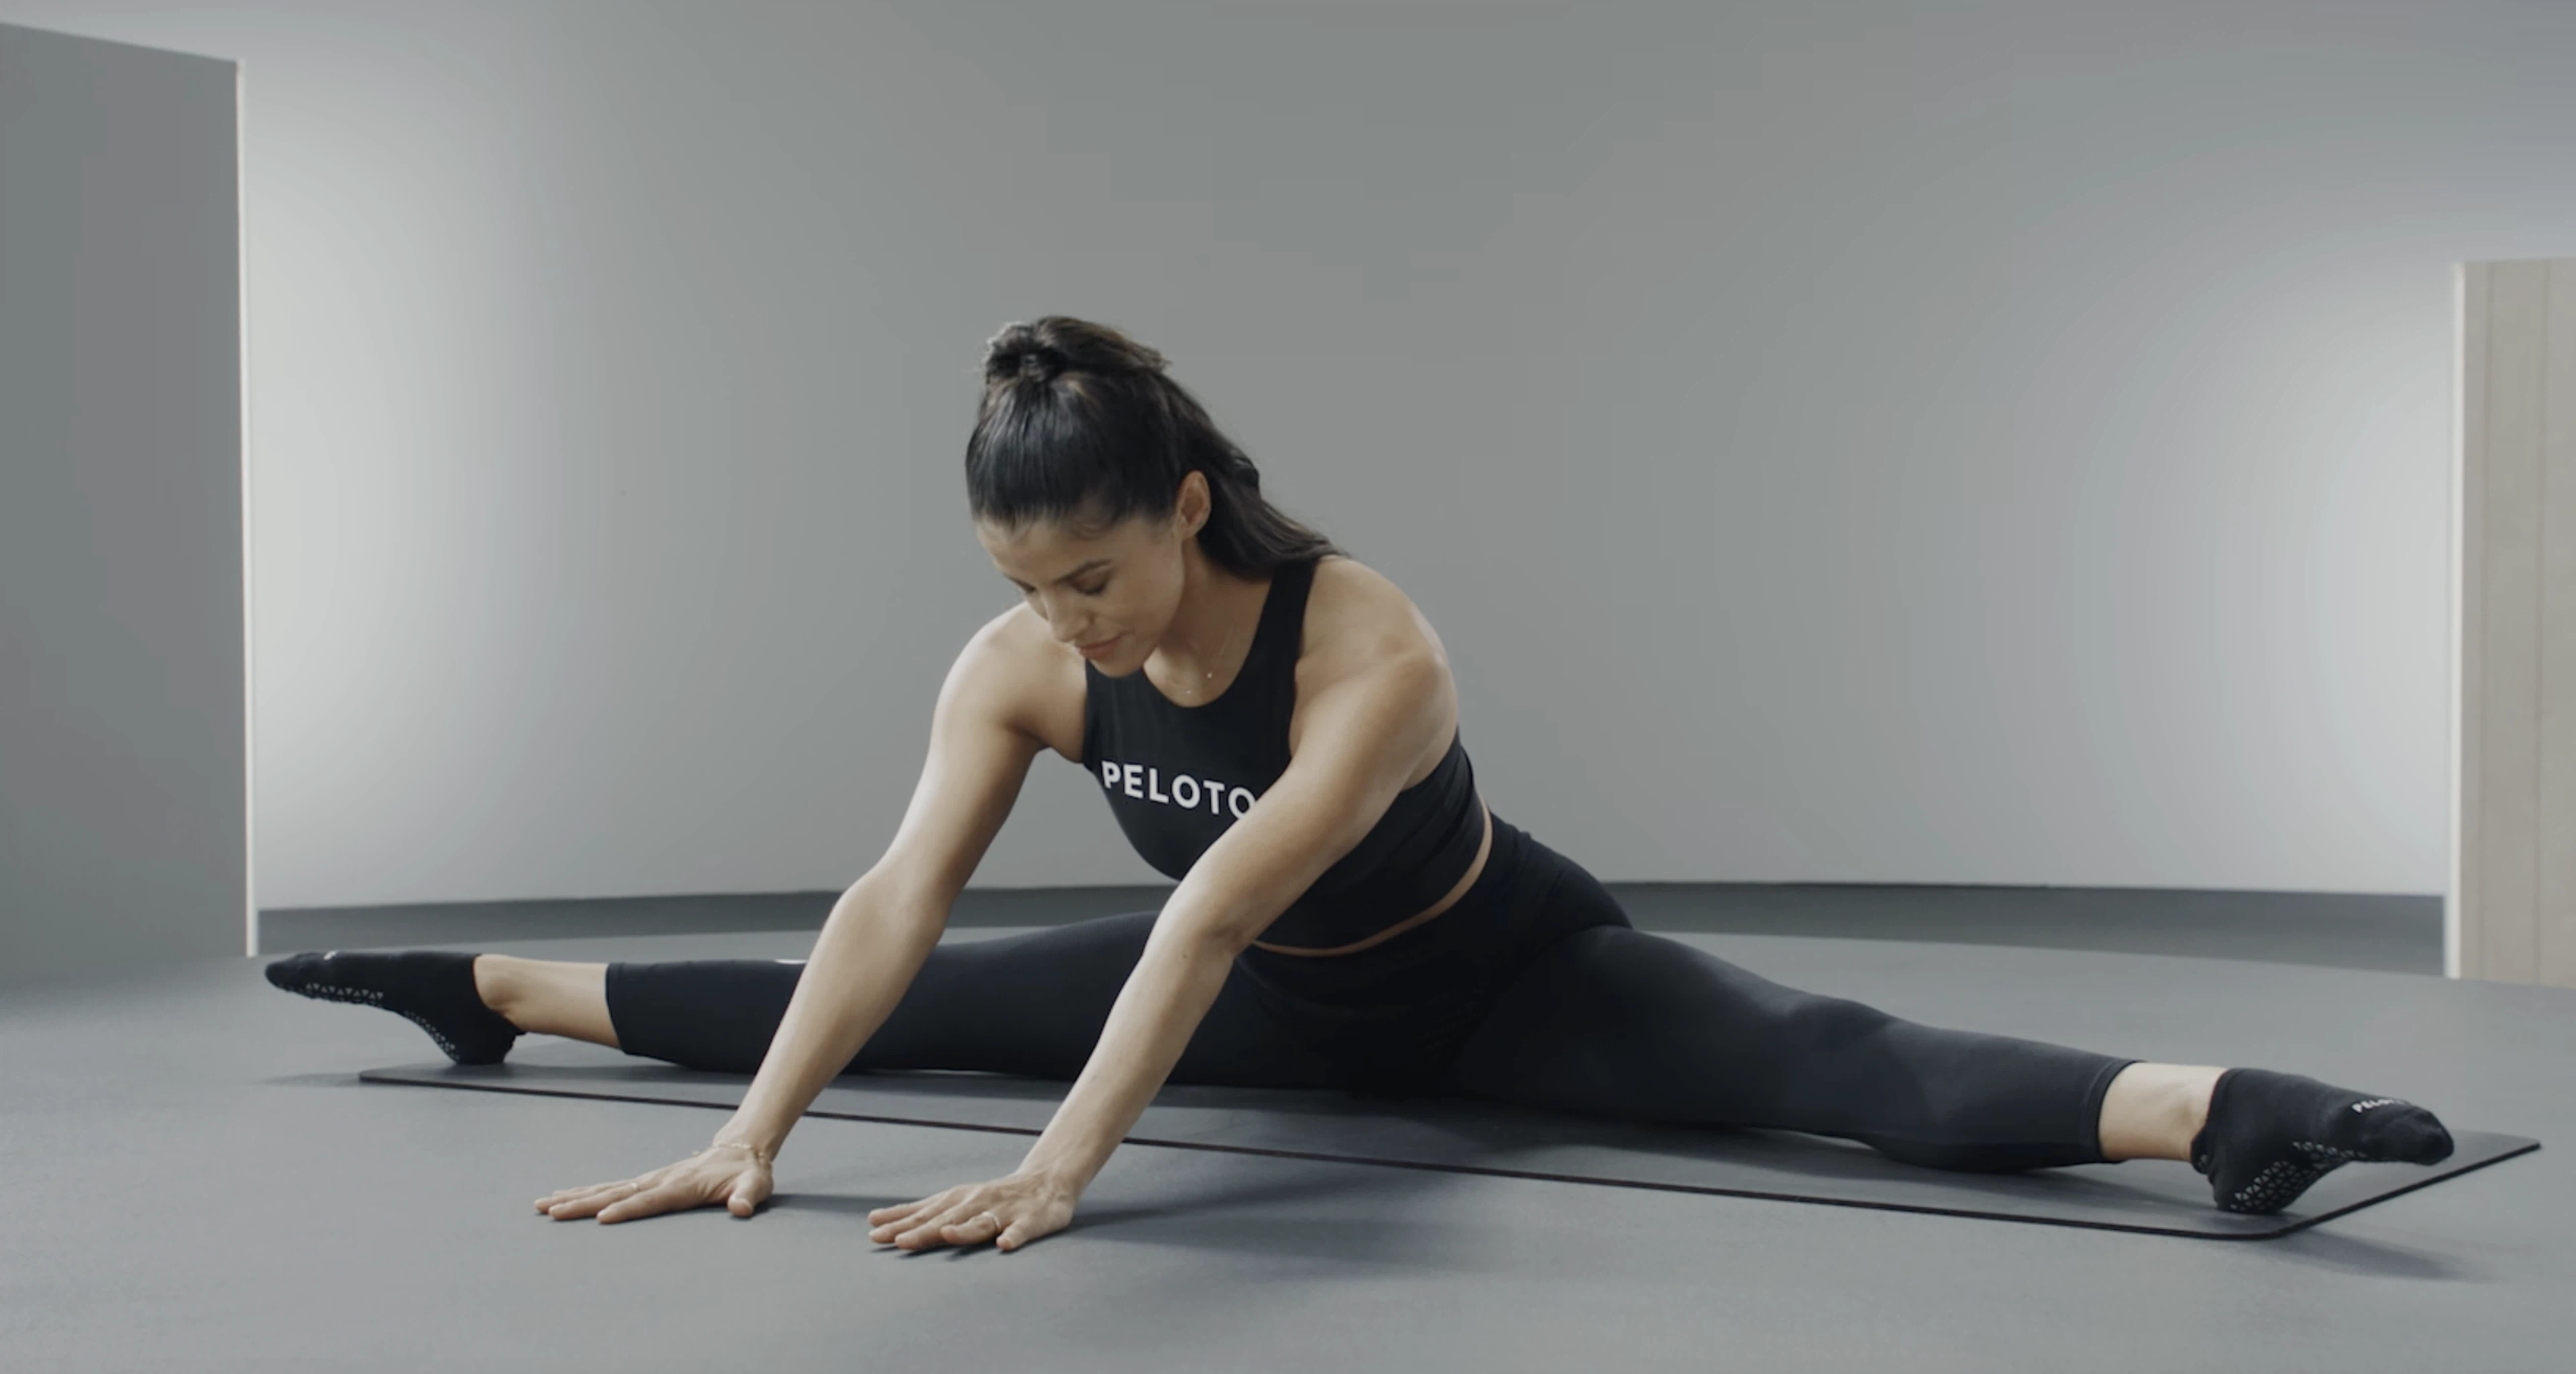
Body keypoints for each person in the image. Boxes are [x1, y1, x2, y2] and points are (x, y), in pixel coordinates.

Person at [267, 315, 2455, 1252]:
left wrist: (1057, 1178)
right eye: (1025, 588)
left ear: (1185, 505)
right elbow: (891, 899)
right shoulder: (1024, 663)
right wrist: (758, 1143)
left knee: (1838, 1060)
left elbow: (1211, 911)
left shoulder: (1365, 645)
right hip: (1258, 998)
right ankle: (491, 991)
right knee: (867, 1001)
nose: (1068, 627)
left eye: (1095, 578)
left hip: (1501, 979)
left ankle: (2222, 1113)